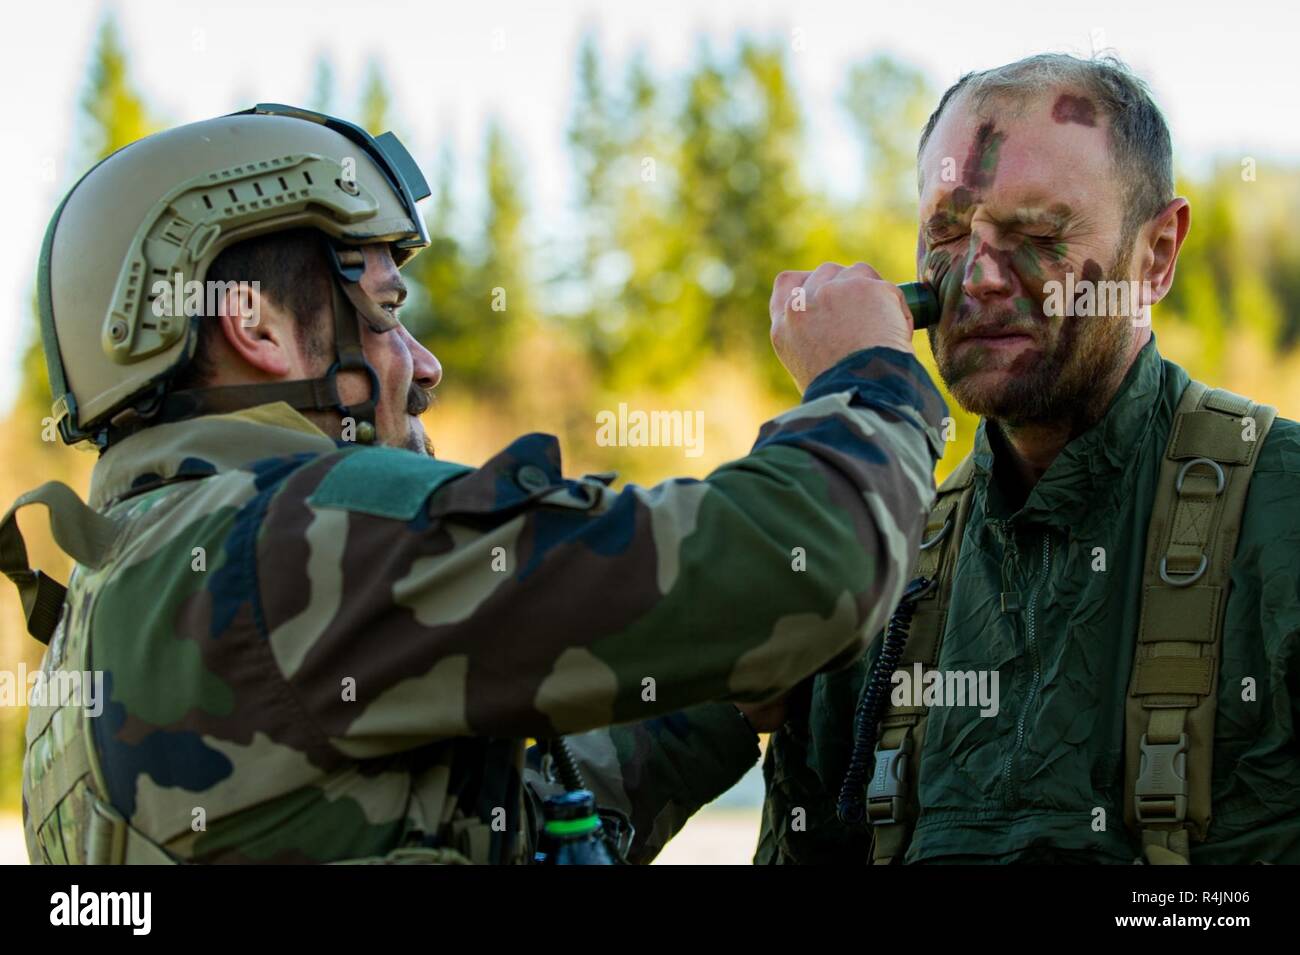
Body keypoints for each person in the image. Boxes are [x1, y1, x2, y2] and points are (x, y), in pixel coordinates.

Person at [2, 103, 946, 864]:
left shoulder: (121, 582)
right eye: (384, 311)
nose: (425, 364)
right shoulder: (301, 535)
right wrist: (863, 372)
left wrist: (724, 703)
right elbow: (815, 560)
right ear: (254, 325)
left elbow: (502, 828)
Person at [748, 53, 1300, 865]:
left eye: (1039, 233)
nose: (977, 279)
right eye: (945, 231)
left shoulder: (1281, 511)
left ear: (1155, 255)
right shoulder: (880, 562)